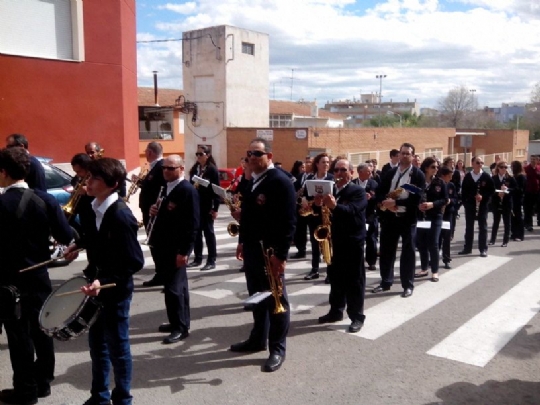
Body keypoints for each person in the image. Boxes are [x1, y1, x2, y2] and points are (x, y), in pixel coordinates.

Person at [64, 158, 144, 405]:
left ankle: (123, 399)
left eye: (94, 179)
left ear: (113, 184)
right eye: (88, 177)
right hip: (95, 286)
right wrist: (79, 244)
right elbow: (94, 237)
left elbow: (134, 262)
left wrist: (105, 281)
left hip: (114, 291)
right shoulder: (91, 206)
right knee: (97, 346)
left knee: (118, 349)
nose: (87, 182)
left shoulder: (121, 216)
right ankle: (99, 396)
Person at [0, 147, 72, 405]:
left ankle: (25, 390)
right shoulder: (45, 199)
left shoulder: (1, 203)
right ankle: (43, 383)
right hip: (40, 277)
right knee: (42, 330)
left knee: (19, 336)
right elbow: (66, 237)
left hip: (10, 281)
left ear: (4, 172)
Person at [230, 138, 296, 373]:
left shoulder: (280, 181)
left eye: (257, 153)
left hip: (271, 252)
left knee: (277, 300)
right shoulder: (252, 181)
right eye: (249, 153)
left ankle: (277, 349)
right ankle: (258, 339)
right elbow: (248, 215)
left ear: (268, 155)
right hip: (252, 249)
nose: (252, 158)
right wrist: (241, 241)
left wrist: (281, 255)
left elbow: (289, 221)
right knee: (257, 296)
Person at [148, 155, 199, 344]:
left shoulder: (186, 190)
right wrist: (155, 210)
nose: (166, 171)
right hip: (163, 246)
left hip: (176, 247)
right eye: (164, 168)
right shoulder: (166, 188)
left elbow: (192, 224)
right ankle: (177, 321)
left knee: (174, 289)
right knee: (173, 288)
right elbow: (167, 214)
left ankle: (180, 327)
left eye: (171, 168)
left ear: (181, 169)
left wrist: (185, 251)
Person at [317, 159, 367, 333]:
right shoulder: (330, 191)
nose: (339, 173)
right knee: (335, 279)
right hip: (334, 241)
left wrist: (334, 206)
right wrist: (317, 205)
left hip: (353, 241)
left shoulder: (358, 191)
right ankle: (335, 311)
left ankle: (357, 316)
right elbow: (323, 214)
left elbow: (352, 211)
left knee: (355, 281)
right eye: (336, 170)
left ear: (351, 173)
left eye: (343, 170)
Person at [372, 143, 425, 298]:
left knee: (407, 253)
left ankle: (407, 285)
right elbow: (379, 192)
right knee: (387, 251)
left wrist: (396, 203)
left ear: (413, 156)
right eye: (402, 153)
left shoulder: (417, 175)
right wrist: (385, 204)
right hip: (389, 218)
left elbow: (417, 199)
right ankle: (385, 282)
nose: (404, 156)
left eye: (408, 153)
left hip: (407, 219)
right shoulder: (390, 173)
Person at [300, 153, 333, 281]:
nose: (326, 164)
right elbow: (305, 195)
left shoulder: (331, 178)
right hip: (314, 214)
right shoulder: (310, 178)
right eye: (323, 162)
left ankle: (330, 271)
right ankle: (315, 269)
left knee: (328, 243)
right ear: (317, 164)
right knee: (315, 243)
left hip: (327, 215)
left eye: (327, 162)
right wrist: (307, 201)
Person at [138, 142, 167, 287]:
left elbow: (163, 189)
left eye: (146, 151)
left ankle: (164, 276)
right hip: (149, 211)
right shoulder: (154, 167)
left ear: (150, 152)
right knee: (154, 245)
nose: (145, 154)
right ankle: (160, 274)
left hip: (155, 212)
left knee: (159, 245)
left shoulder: (161, 166)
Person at [414, 158, 448, 282]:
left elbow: (445, 199)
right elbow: (412, 197)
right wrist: (418, 205)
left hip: (435, 216)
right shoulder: (418, 182)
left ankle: (435, 271)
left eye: (437, 167)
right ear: (426, 168)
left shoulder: (440, 182)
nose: (436, 169)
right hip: (422, 217)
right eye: (433, 167)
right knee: (421, 243)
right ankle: (424, 268)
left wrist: (432, 204)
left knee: (433, 243)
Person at [188, 145, 220, 271]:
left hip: (207, 204)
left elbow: (216, 189)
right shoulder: (195, 168)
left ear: (207, 155)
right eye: (197, 154)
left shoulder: (212, 170)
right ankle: (197, 258)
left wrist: (215, 208)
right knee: (196, 233)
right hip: (196, 205)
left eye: (201, 154)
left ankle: (211, 260)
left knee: (209, 233)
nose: (198, 156)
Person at [458, 156, 495, 257]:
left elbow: (491, 191)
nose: (480, 165)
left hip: (482, 206)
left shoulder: (486, 176)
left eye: (481, 163)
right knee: (469, 227)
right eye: (478, 162)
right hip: (470, 205)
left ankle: (483, 249)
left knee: (482, 227)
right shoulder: (468, 177)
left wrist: (483, 196)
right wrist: (468, 201)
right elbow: (464, 192)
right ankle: (467, 248)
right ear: (473, 163)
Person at [353, 163, 378, 271]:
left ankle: (371, 261)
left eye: (371, 171)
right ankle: (356, 260)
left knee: (371, 239)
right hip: (356, 215)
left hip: (370, 215)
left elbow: (379, 197)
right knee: (357, 240)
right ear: (360, 172)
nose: (370, 173)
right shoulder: (353, 184)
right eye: (368, 171)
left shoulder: (374, 183)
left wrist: (371, 197)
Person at [489, 161, 516, 247]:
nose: (504, 169)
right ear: (498, 168)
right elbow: (490, 189)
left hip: (507, 203)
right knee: (496, 221)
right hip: (496, 202)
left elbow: (516, 189)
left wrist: (507, 190)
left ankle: (505, 241)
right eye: (502, 167)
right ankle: (492, 239)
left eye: (505, 167)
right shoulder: (494, 178)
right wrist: (498, 193)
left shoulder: (510, 178)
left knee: (507, 222)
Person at [439, 166, 457, 269]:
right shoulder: (437, 185)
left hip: (448, 214)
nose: (451, 178)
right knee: (437, 238)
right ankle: (432, 258)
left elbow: (455, 198)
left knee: (446, 237)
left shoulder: (451, 185)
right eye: (449, 176)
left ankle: (446, 259)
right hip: (438, 214)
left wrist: (450, 201)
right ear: (444, 176)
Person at [291, 160, 308, 259]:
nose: (304, 168)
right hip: (299, 206)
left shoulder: (311, 176)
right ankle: (301, 250)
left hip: (308, 206)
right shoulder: (299, 176)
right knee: (300, 229)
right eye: (302, 167)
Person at [523, 156, 540, 232]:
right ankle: (528, 224)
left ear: (537, 161)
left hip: (538, 191)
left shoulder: (539, 168)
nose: (533, 161)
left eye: (534, 159)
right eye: (531, 159)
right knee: (528, 209)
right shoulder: (526, 168)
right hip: (529, 192)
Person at [510, 160, 526, 241]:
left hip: (518, 199)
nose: (512, 168)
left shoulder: (521, 177)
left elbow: (521, 189)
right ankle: (514, 233)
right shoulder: (514, 176)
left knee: (518, 217)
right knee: (513, 217)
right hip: (513, 199)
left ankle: (520, 235)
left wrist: (511, 189)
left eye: (513, 166)